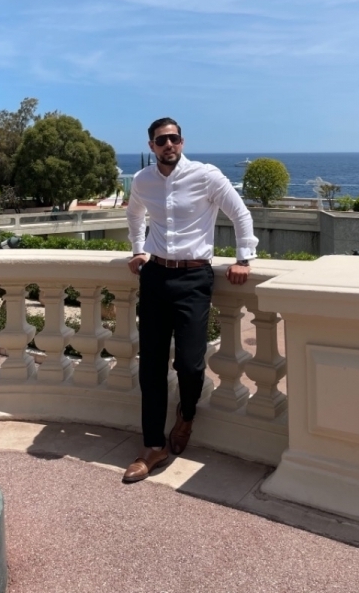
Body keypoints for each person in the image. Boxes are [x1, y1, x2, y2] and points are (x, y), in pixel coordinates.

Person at [123, 117, 258, 483]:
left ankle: (186, 416)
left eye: (174, 138)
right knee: (151, 366)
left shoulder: (206, 176)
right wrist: (137, 249)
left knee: (190, 364)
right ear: (151, 146)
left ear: (181, 142)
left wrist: (243, 259)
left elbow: (240, 214)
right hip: (155, 276)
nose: (169, 144)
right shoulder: (142, 180)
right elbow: (134, 214)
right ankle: (153, 446)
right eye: (161, 140)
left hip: (194, 279)